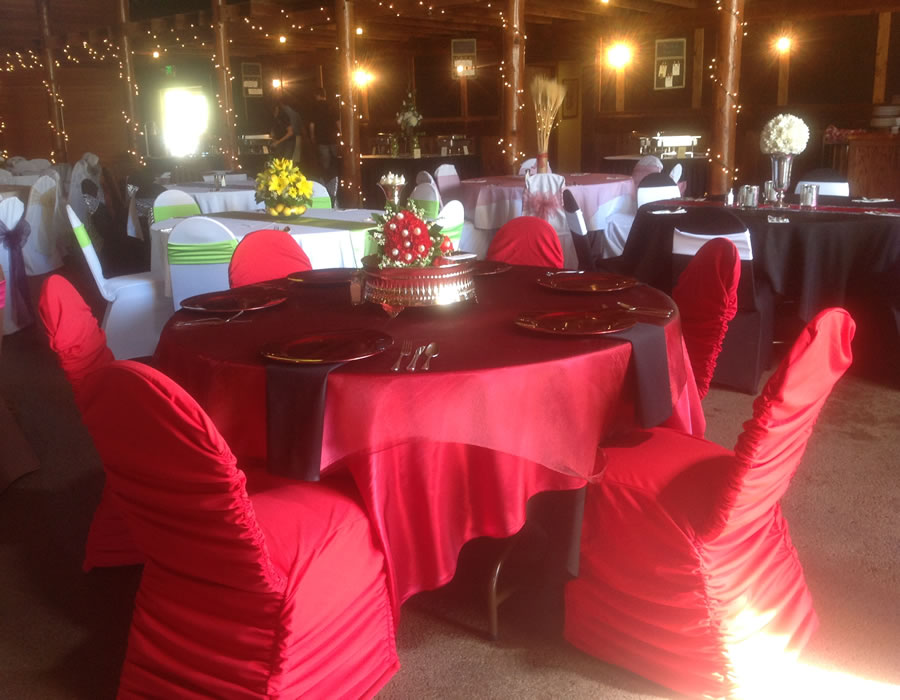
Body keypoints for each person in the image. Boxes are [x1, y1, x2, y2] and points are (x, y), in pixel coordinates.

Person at [308, 88, 341, 189]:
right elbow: (338, 121)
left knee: (325, 162)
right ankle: (337, 178)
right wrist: (341, 132)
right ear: (325, 95)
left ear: (317, 95)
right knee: (336, 158)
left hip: (321, 138)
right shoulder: (332, 105)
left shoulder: (314, 107)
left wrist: (312, 136)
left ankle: (325, 182)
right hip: (333, 137)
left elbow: (312, 124)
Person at [271, 100, 303, 165]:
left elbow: (290, 132)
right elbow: (300, 126)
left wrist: (277, 142)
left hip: (290, 140)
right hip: (294, 137)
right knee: (292, 160)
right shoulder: (295, 113)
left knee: (287, 161)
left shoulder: (284, 115)